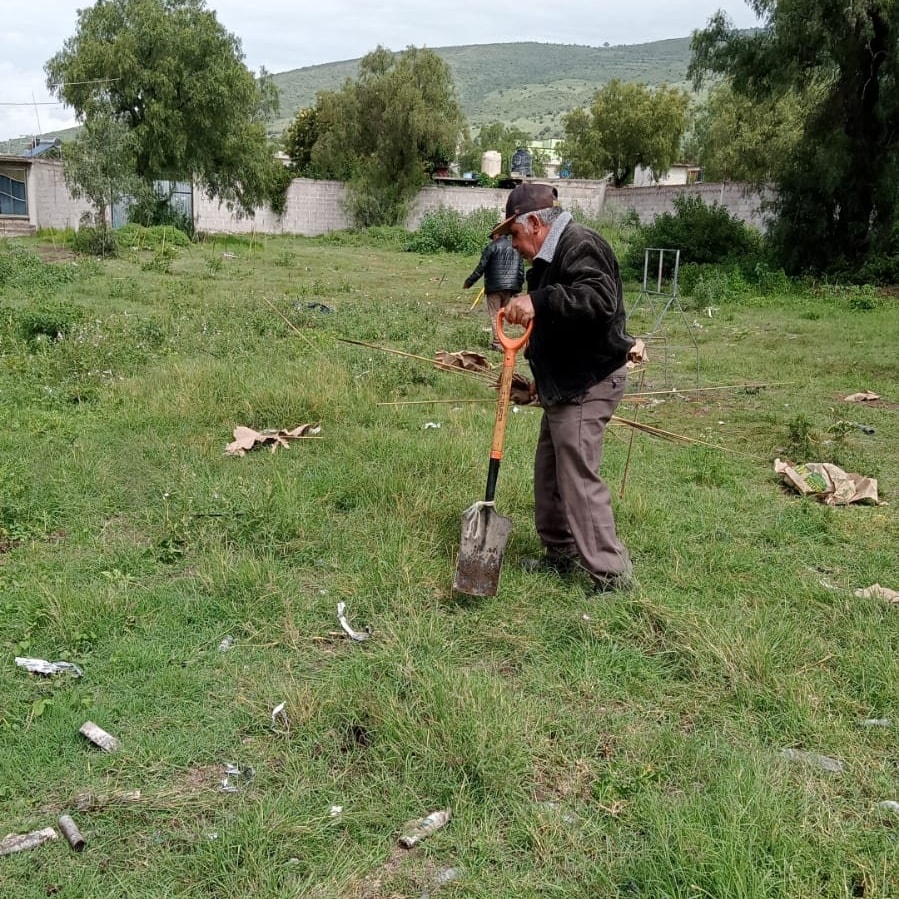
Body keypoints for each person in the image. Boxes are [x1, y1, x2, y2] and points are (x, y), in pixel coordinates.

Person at [493, 183, 635, 591]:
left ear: (535, 223)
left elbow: (597, 300)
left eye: (514, 235)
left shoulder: (580, 243)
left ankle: (611, 575)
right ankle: (562, 554)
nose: (514, 246)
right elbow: (563, 329)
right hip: (565, 384)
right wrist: (540, 385)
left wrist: (539, 301)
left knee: (577, 478)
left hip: (589, 382)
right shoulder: (548, 257)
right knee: (550, 475)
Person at [463, 232, 525, 350]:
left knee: (495, 315)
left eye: (493, 237)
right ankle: (503, 341)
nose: (492, 239)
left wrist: (469, 282)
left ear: (496, 235)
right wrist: (518, 287)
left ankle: (497, 343)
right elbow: (521, 269)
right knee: (503, 314)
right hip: (510, 287)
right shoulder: (515, 247)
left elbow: (481, 267)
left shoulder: (492, 247)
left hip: (494, 287)